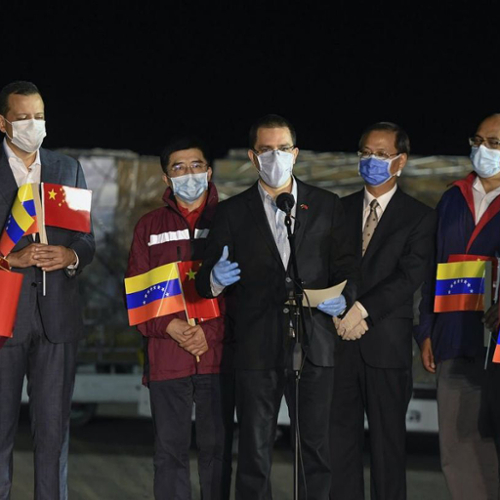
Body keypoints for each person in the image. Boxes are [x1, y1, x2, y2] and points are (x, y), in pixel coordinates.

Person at [196, 114, 358, 500]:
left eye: (283, 149)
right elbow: (204, 281)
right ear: (253, 158)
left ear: (296, 153)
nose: (276, 157)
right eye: (267, 150)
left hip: (314, 345)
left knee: (315, 449)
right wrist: (215, 278)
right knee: (254, 453)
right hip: (256, 347)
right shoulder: (233, 212)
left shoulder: (326, 205)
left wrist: (346, 298)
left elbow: (348, 266)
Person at [330, 122, 436, 500]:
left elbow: (410, 276)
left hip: (386, 349)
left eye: (381, 154)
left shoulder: (420, 217)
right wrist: (339, 310)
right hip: (340, 343)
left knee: (387, 450)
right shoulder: (337, 210)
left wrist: (364, 310)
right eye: (365, 153)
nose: (370, 160)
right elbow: (329, 268)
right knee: (339, 446)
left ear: (400, 161)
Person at [0, 81, 95, 500]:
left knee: (53, 435)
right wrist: (8, 259)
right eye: (22, 118)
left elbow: (86, 241)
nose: (32, 125)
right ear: (3, 123)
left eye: (38, 116)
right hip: (3, 319)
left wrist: (69, 256)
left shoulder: (65, 168)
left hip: (57, 319)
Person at [126, 137, 233, 500]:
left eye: (196, 166)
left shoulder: (232, 220)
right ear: (165, 178)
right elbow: (137, 295)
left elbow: (247, 294)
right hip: (167, 358)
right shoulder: (148, 227)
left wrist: (211, 333)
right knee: (169, 455)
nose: (189, 174)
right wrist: (170, 326)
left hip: (218, 360)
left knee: (217, 455)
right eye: (179, 167)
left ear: (209, 171)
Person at [416, 114, 500, 499]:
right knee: (457, 445)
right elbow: (433, 268)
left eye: (494, 143)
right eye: (478, 140)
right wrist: (427, 329)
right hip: (455, 339)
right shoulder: (452, 198)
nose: (482, 150)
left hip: (497, 345)